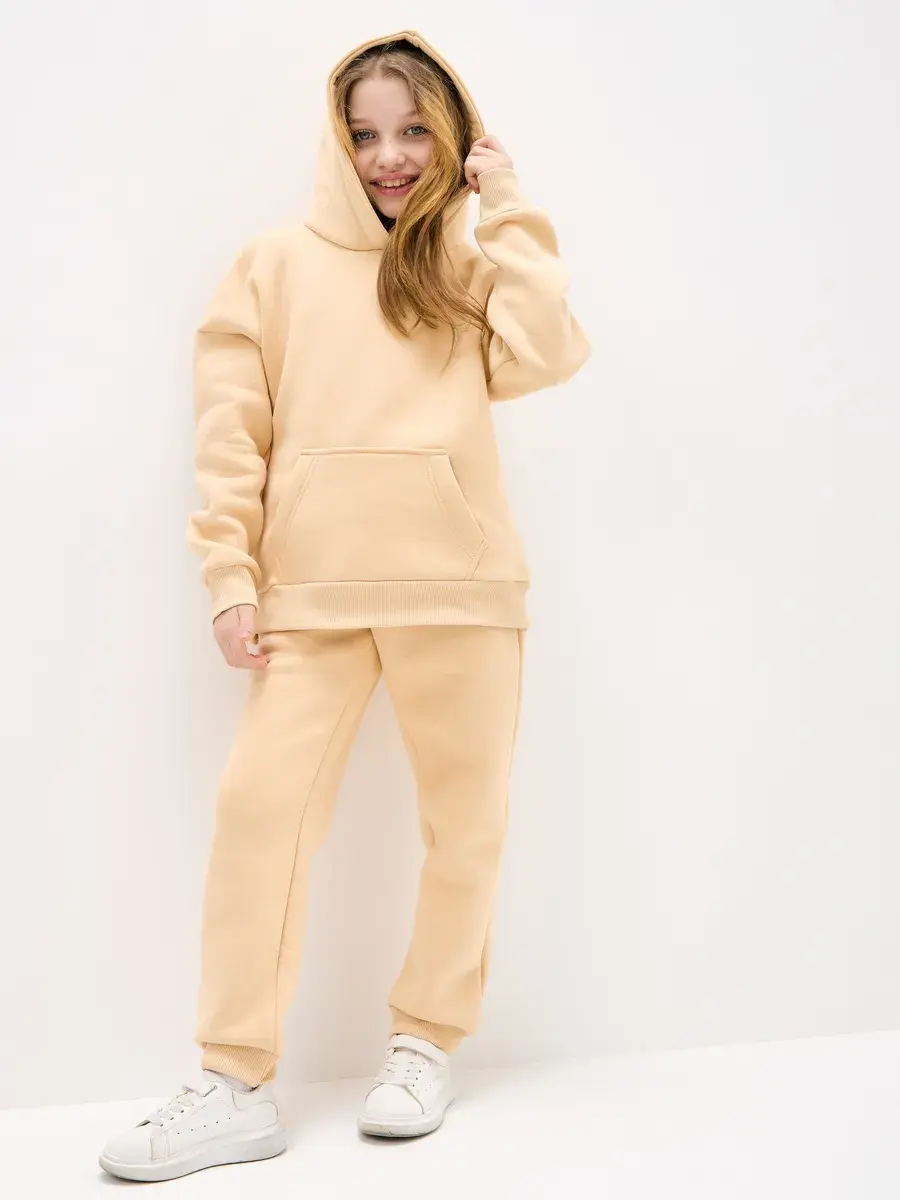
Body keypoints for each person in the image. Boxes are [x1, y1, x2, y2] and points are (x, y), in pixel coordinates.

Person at [99, 28, 589, 1182]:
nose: (388, 155)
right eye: (364, 133)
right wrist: (231, 574)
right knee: (257, 813)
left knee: (465, 825)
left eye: (414, 129)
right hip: (313, 593)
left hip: (460, 587)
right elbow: (232, 434)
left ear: (452, 136)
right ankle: (234, 1081)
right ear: (335, 139)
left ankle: (426, 1042)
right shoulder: (270, 268)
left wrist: (507, 207)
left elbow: (550, 353)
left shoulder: (464, 268)